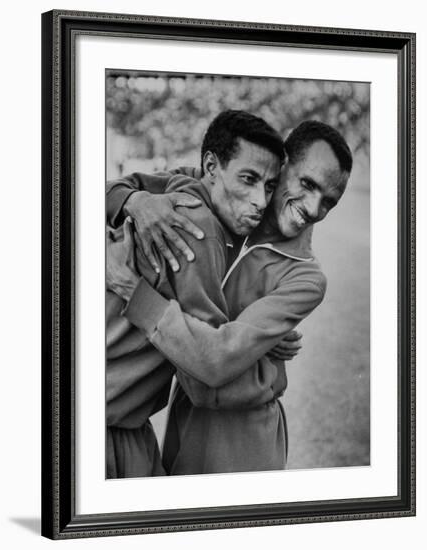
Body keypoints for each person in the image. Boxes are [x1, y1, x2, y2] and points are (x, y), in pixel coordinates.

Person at [107, 118, 353, 475]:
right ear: (282, 166)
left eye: (329, 201)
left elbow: (213, 366)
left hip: (243, 436)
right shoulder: (220, 199)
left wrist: (133, 290)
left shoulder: (306, 277)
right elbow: (113, 188)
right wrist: (136, 201)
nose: (314, 210)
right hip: (185, 416)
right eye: (308, 185)